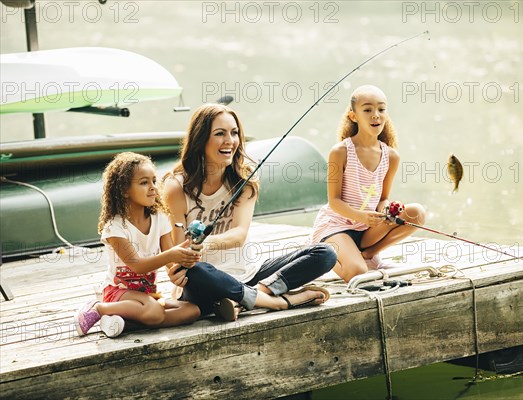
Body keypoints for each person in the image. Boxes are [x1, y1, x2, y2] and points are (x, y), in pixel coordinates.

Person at [162, 103, 337, 321]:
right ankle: (277, 301)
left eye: (234, 133)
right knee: (197, 271)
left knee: (325, 253)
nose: (230, 141)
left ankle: (247, 299)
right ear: (201, 139)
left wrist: (206, 243)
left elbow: (239, 234)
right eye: (220, 134)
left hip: (249, 275)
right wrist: (175, 270)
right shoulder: (176, 186)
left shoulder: (244, 183)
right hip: (204, 282)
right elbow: (177, 248)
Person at [74, 152, 201, 338]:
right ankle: (100, 308)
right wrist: (173, 254)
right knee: (156, 313)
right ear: (124, 190)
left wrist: (187, 255)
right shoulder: (115, 226)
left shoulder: (160, 218)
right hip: (119, 292)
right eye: (144, 182)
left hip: (148, 296)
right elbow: (137, 265)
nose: (153, 188)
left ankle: (122, 322)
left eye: (153, 181)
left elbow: (171, 264)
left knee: (192, 311)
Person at [309, 85, 426, 282]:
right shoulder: (340, 152)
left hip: (367, 232)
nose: (376, 115)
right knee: (357, 273)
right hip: (336, 226)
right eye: (367, 110)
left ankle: (370, 254)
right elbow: (334, 201)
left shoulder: (391, 156)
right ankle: (323, 253)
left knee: (417, 213)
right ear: (353, 116)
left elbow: (383, 198)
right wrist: (361, 216)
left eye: (381, 109)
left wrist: (386, 211)